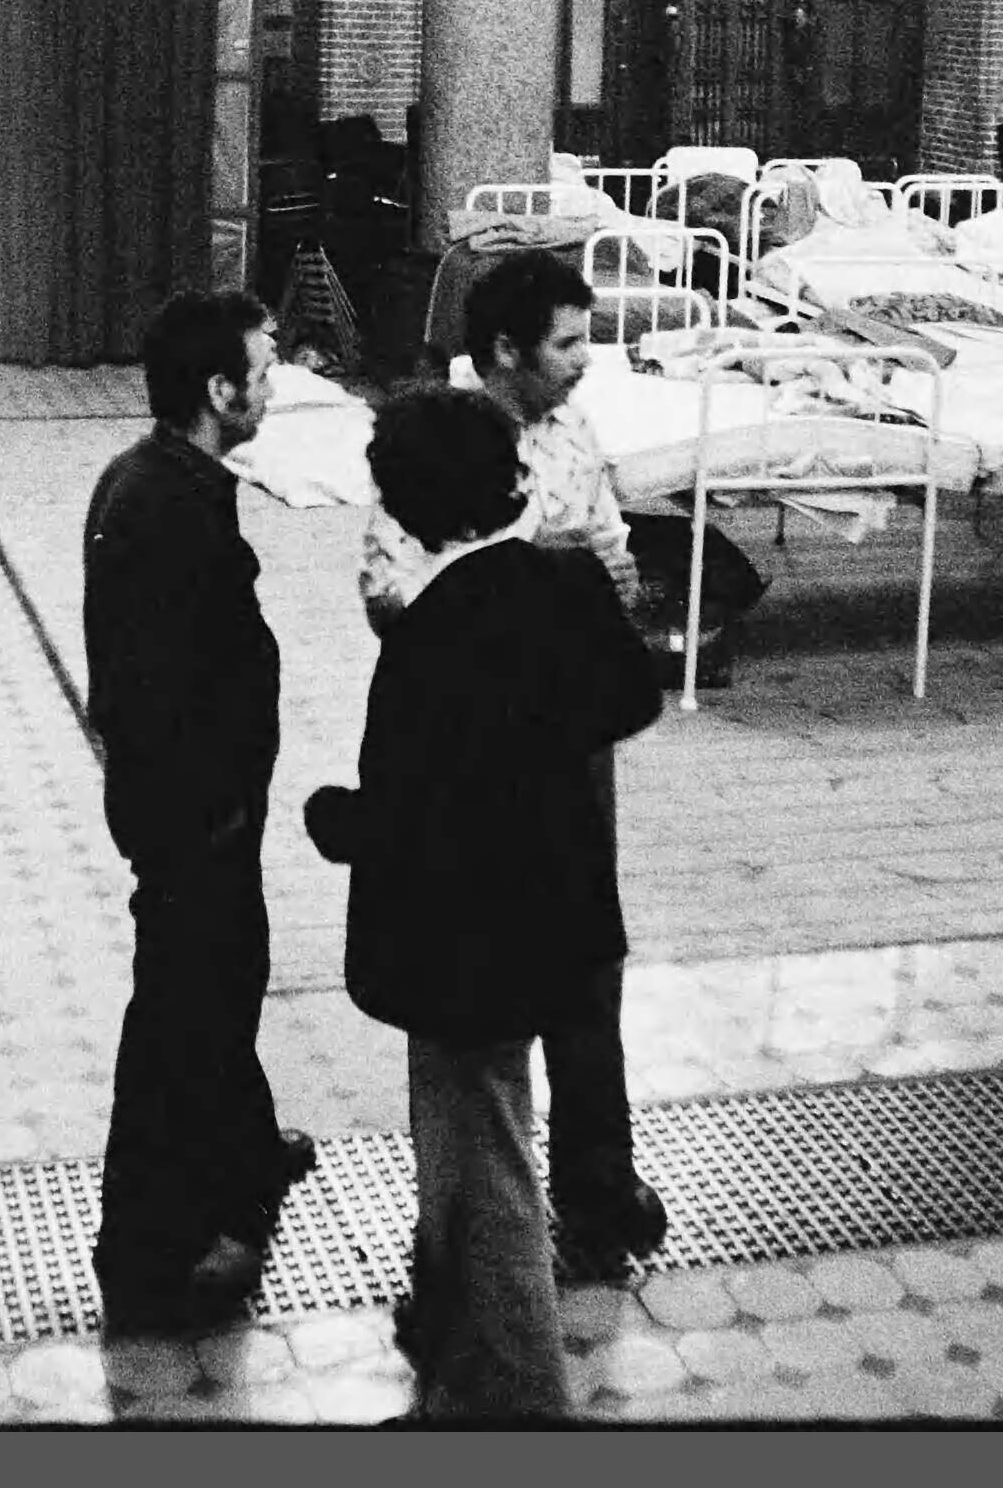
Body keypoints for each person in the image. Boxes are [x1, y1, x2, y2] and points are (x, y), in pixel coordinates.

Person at [307, 387, 665, 1420]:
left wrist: (338, 819)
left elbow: (410, 813)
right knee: (472, 1155)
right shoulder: (565, 581)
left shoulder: (431, 634)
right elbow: (628, 697)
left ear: (406, 509)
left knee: (486, 1164)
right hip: (561, 915)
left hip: (464, 944)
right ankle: (457, 1367)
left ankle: (517, 1399)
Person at [357, 248, 670, 1273]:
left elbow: (613, 558)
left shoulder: (574, 429)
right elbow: (389, 593)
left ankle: (597, 1182)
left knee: (588, 962)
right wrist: (537, 578)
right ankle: (479, 1231)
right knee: (487, 990)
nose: (587, 358)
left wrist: (592, 583)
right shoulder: (435, 442)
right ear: (504, 349)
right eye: (567, 342)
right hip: (476, 760)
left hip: (567, 743)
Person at [82, 289, 317, 1329]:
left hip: (196, 805)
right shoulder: (170, 505)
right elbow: (154, 686)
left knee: (220, 984)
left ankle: (245, 1150)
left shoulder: (156, 477)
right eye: (263, 370)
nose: (273, 387)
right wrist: (206, 810)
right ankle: (150, 1243)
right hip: (193, 813)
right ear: (219, 391)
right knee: (185, 1010)